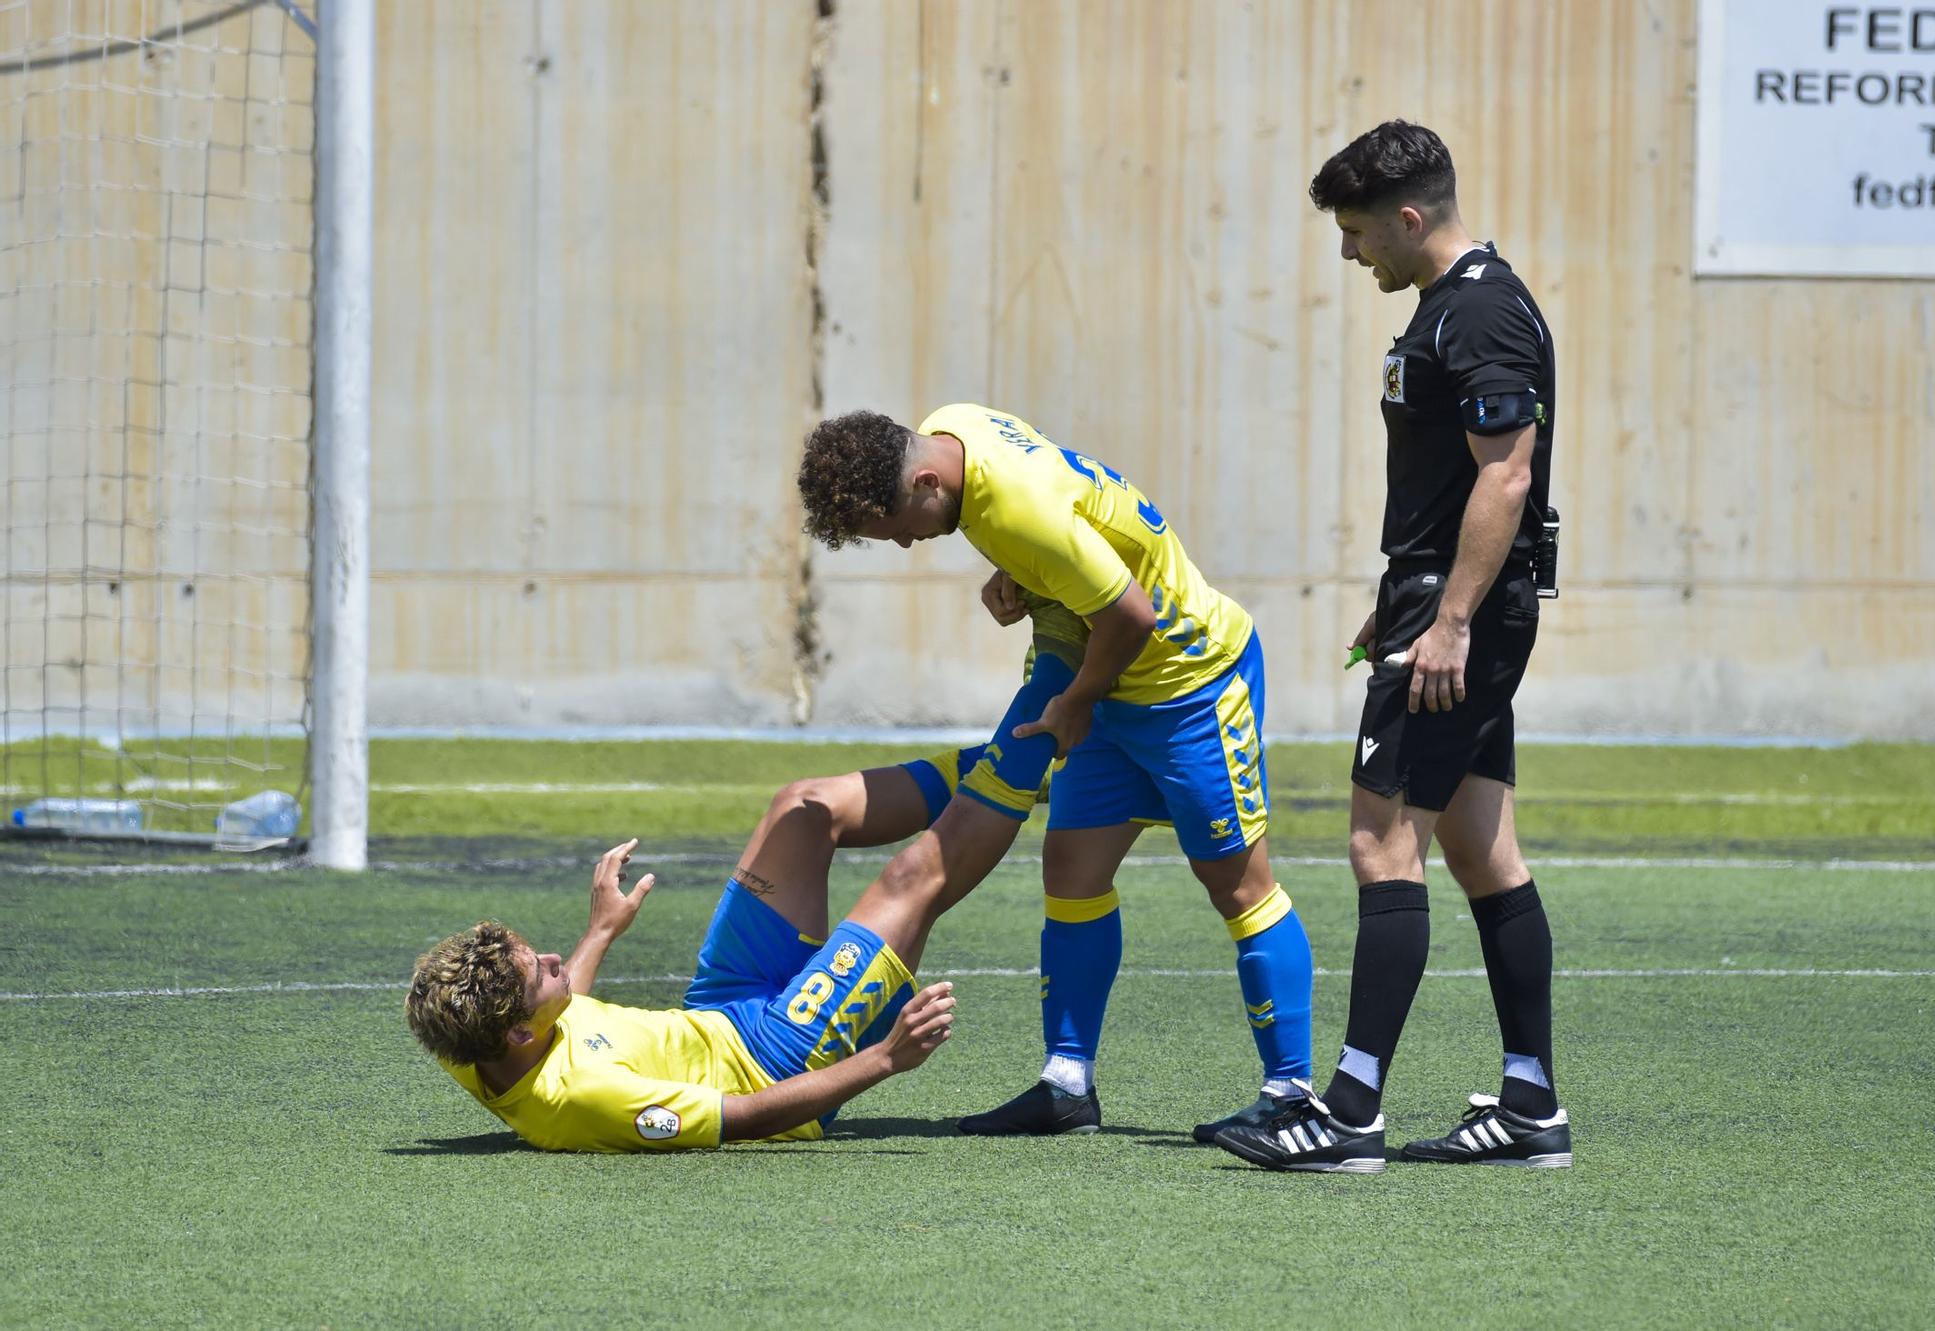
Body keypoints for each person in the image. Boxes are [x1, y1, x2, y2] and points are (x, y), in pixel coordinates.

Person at [797, 403, 1317, 1140]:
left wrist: (1076, 701)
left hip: (1187, 683)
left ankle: (1292, 1096)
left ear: (923, 481)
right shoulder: (956, 424)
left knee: (1237, 883)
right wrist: (1024, 579)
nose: (909, 543)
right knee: (1071, 869)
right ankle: (1067, 1083)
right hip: (1107, 681)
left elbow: (1132, 613)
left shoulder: (1017, 509)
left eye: (899, 526)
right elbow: (1074, 525)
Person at [403, 601, 1085, 1152]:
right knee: (914, 876)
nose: (554, 960)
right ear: (517, 1032)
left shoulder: (471, 1036)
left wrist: (600, 931)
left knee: (802, 807)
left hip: (718, 1008)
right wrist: (887, 1057)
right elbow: (749, 1114)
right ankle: (1060, 677)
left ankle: (1037, 760)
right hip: (779, 1059)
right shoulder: (583, 1102)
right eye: (541, 970)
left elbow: (558, 1010)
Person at [1215, 120, 1570, 1173]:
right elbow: (1455, 483)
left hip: (1461, 617)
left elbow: (1505, 474)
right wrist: (1407, 590)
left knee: (1380, 843)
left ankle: (1348, 1114)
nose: (1347, 253)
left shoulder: (1479, 311)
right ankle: (1528, 1104)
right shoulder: (1449, 307)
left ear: (1408, 218)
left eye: (1358, 232)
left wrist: (1447, 617)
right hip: (1441, 599)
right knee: (1477, 844)